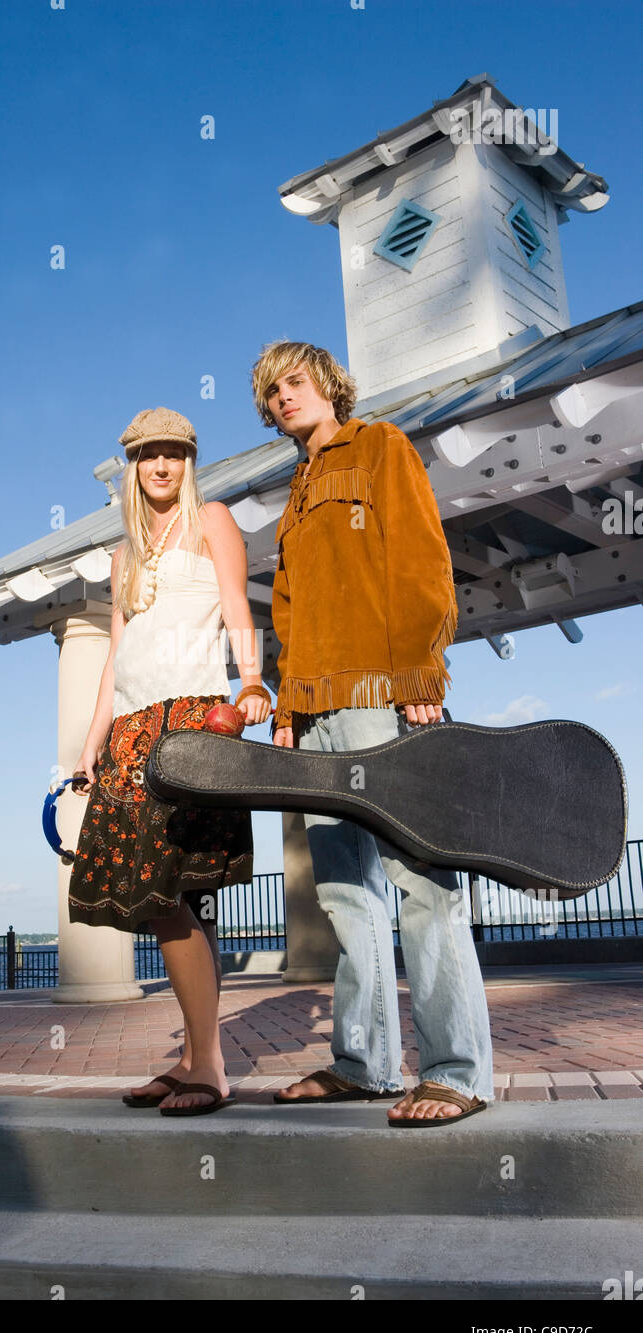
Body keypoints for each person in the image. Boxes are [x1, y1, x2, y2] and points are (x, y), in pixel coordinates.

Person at [251, 341, 494, 1127]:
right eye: (271, 392)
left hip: (381, 696)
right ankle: (367, 1064)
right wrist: (287, 708)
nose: (284, 397)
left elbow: (422, 560)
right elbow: (285, 610)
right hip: (315, 709)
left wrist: (422, 671)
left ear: (327, 385)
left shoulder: (380, 446)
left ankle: (456, 1070)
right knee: (346, 894)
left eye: (294, 383)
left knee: (423, 886)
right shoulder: (298, 489)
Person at [67, 407, 273, 1115]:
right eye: (149, 454)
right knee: (168, 900)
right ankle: (190, 1056)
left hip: (191, 722)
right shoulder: (124, 556)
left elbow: (240, 616)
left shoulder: (214, 518)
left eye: (175, 454)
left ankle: (209, 1066)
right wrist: (90, 745)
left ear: (190, 462)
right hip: (130, 732)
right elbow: (115, 660)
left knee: (169, 895)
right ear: (131, 465)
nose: (162, 465)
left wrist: (251, 681)